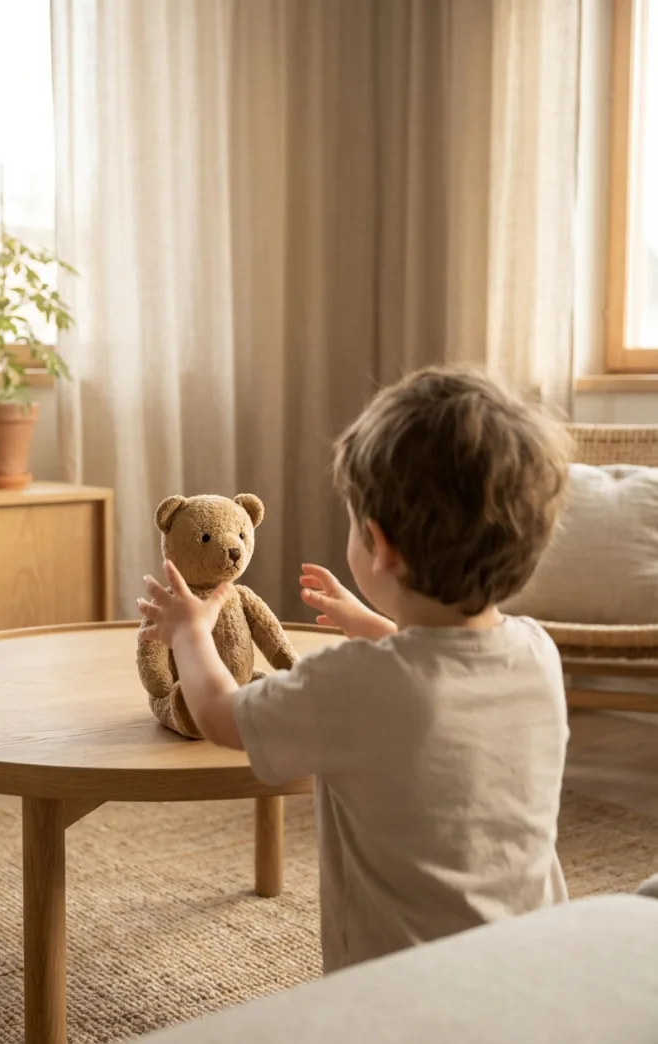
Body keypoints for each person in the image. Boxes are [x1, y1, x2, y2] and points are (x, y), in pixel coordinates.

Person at [137, 366, 571, 974]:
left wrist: (189, 632)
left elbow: (220, 713)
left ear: (378, 543)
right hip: (534, 962)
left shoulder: (354, 682)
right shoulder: (536, 652)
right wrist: (372, 622)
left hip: (402, 993)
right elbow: (440, 672)